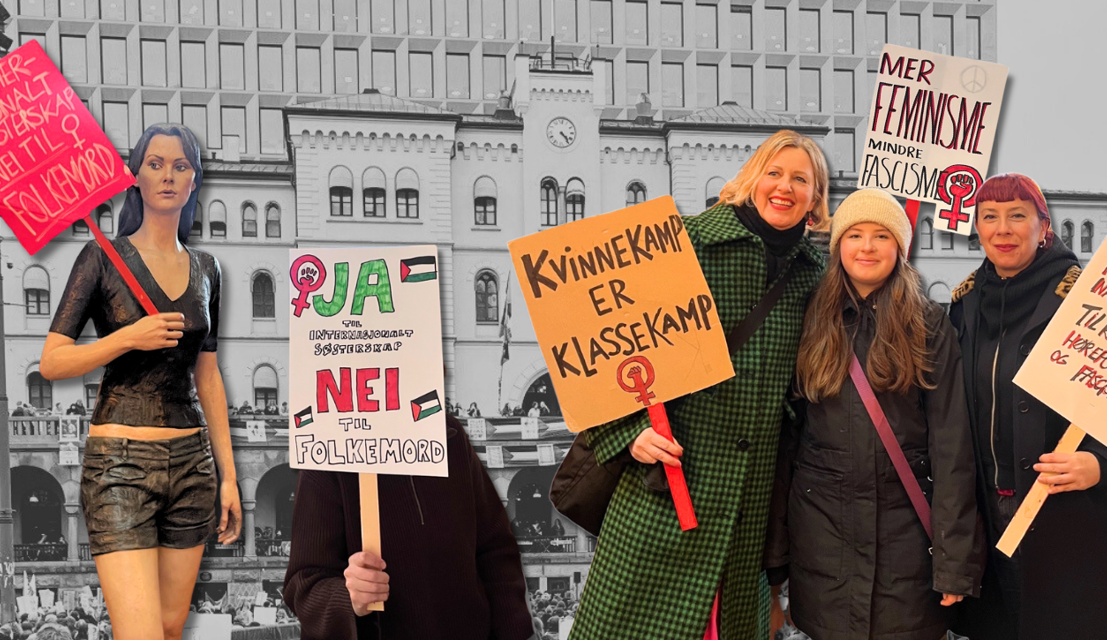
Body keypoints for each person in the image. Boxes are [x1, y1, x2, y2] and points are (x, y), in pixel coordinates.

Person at [569, 129, 830, 640]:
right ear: (750, 180)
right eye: (773, 173)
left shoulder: (814, 275)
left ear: (815, 201)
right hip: (665, 489)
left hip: (746, 508)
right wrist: (628, 433)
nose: (785, 187)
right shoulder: (682, 242)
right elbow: (593, 345)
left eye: (801, 179)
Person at [39, 123, 241, 640]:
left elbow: (209, 376)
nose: (168, 175)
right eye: (155, 164)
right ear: (136, 176)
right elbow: (53, 362)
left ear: (195, 180)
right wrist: (128, 336)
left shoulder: (208, 269)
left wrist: (229, 475)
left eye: (180, 165)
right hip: (119, 463)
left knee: (172, 628)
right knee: (142, 635)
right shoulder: (101, 257)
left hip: (192, 463)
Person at [776, 189, 983, 640]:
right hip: (823, 547)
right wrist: (776, 552)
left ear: (900, 248)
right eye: (854, 234)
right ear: (838, 246)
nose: (867, 247)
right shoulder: (809, 318)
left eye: (881, 236)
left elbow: (952, 447)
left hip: (906, 551)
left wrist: (954, 563)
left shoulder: (928, 324)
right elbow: (786, 441)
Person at [949, 173, 1107, 639]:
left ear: (1043, 226)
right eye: (989, 217)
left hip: (1072, 518)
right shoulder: (965, 303)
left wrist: (1104, 463)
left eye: (1017, 215)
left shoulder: (1089, 296)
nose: (1003, 229)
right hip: (991, 522)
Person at [283, 413, 533, 640]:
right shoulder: (326, 448)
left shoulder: (449, 433)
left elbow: (495, 549)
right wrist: (347, 597)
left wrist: (517, 633)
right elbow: (302, 584)